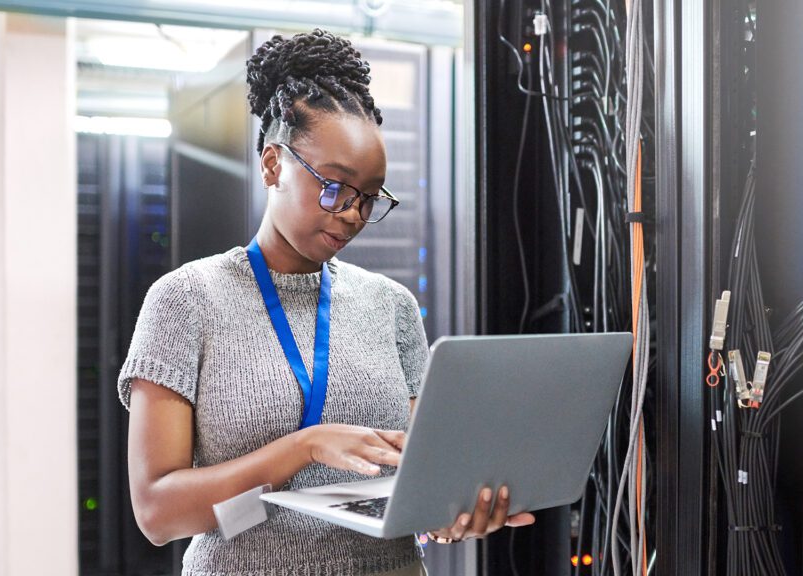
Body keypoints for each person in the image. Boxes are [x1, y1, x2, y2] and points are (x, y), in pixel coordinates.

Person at [118, 29, 534, 576]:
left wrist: (453, 509)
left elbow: (417, 476)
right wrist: (306, 446)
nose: (352, 215)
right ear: (273, 165)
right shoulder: (186, 301)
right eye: (334, 188)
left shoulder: (391, 307)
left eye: (369, 197)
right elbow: (157, 512)